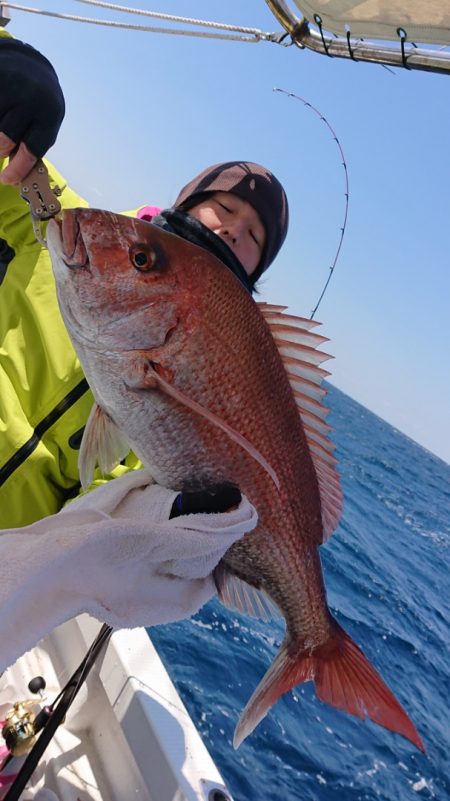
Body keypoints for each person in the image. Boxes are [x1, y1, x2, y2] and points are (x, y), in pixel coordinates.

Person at [0, 32, 289, 533]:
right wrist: (14, 67)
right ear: (183, 202)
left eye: (253, 237)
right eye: (222, 208)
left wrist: (159, 516)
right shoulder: (73, 233)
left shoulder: (212, 374)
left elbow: (122, 489)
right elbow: (12, 167)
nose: (231, 228)